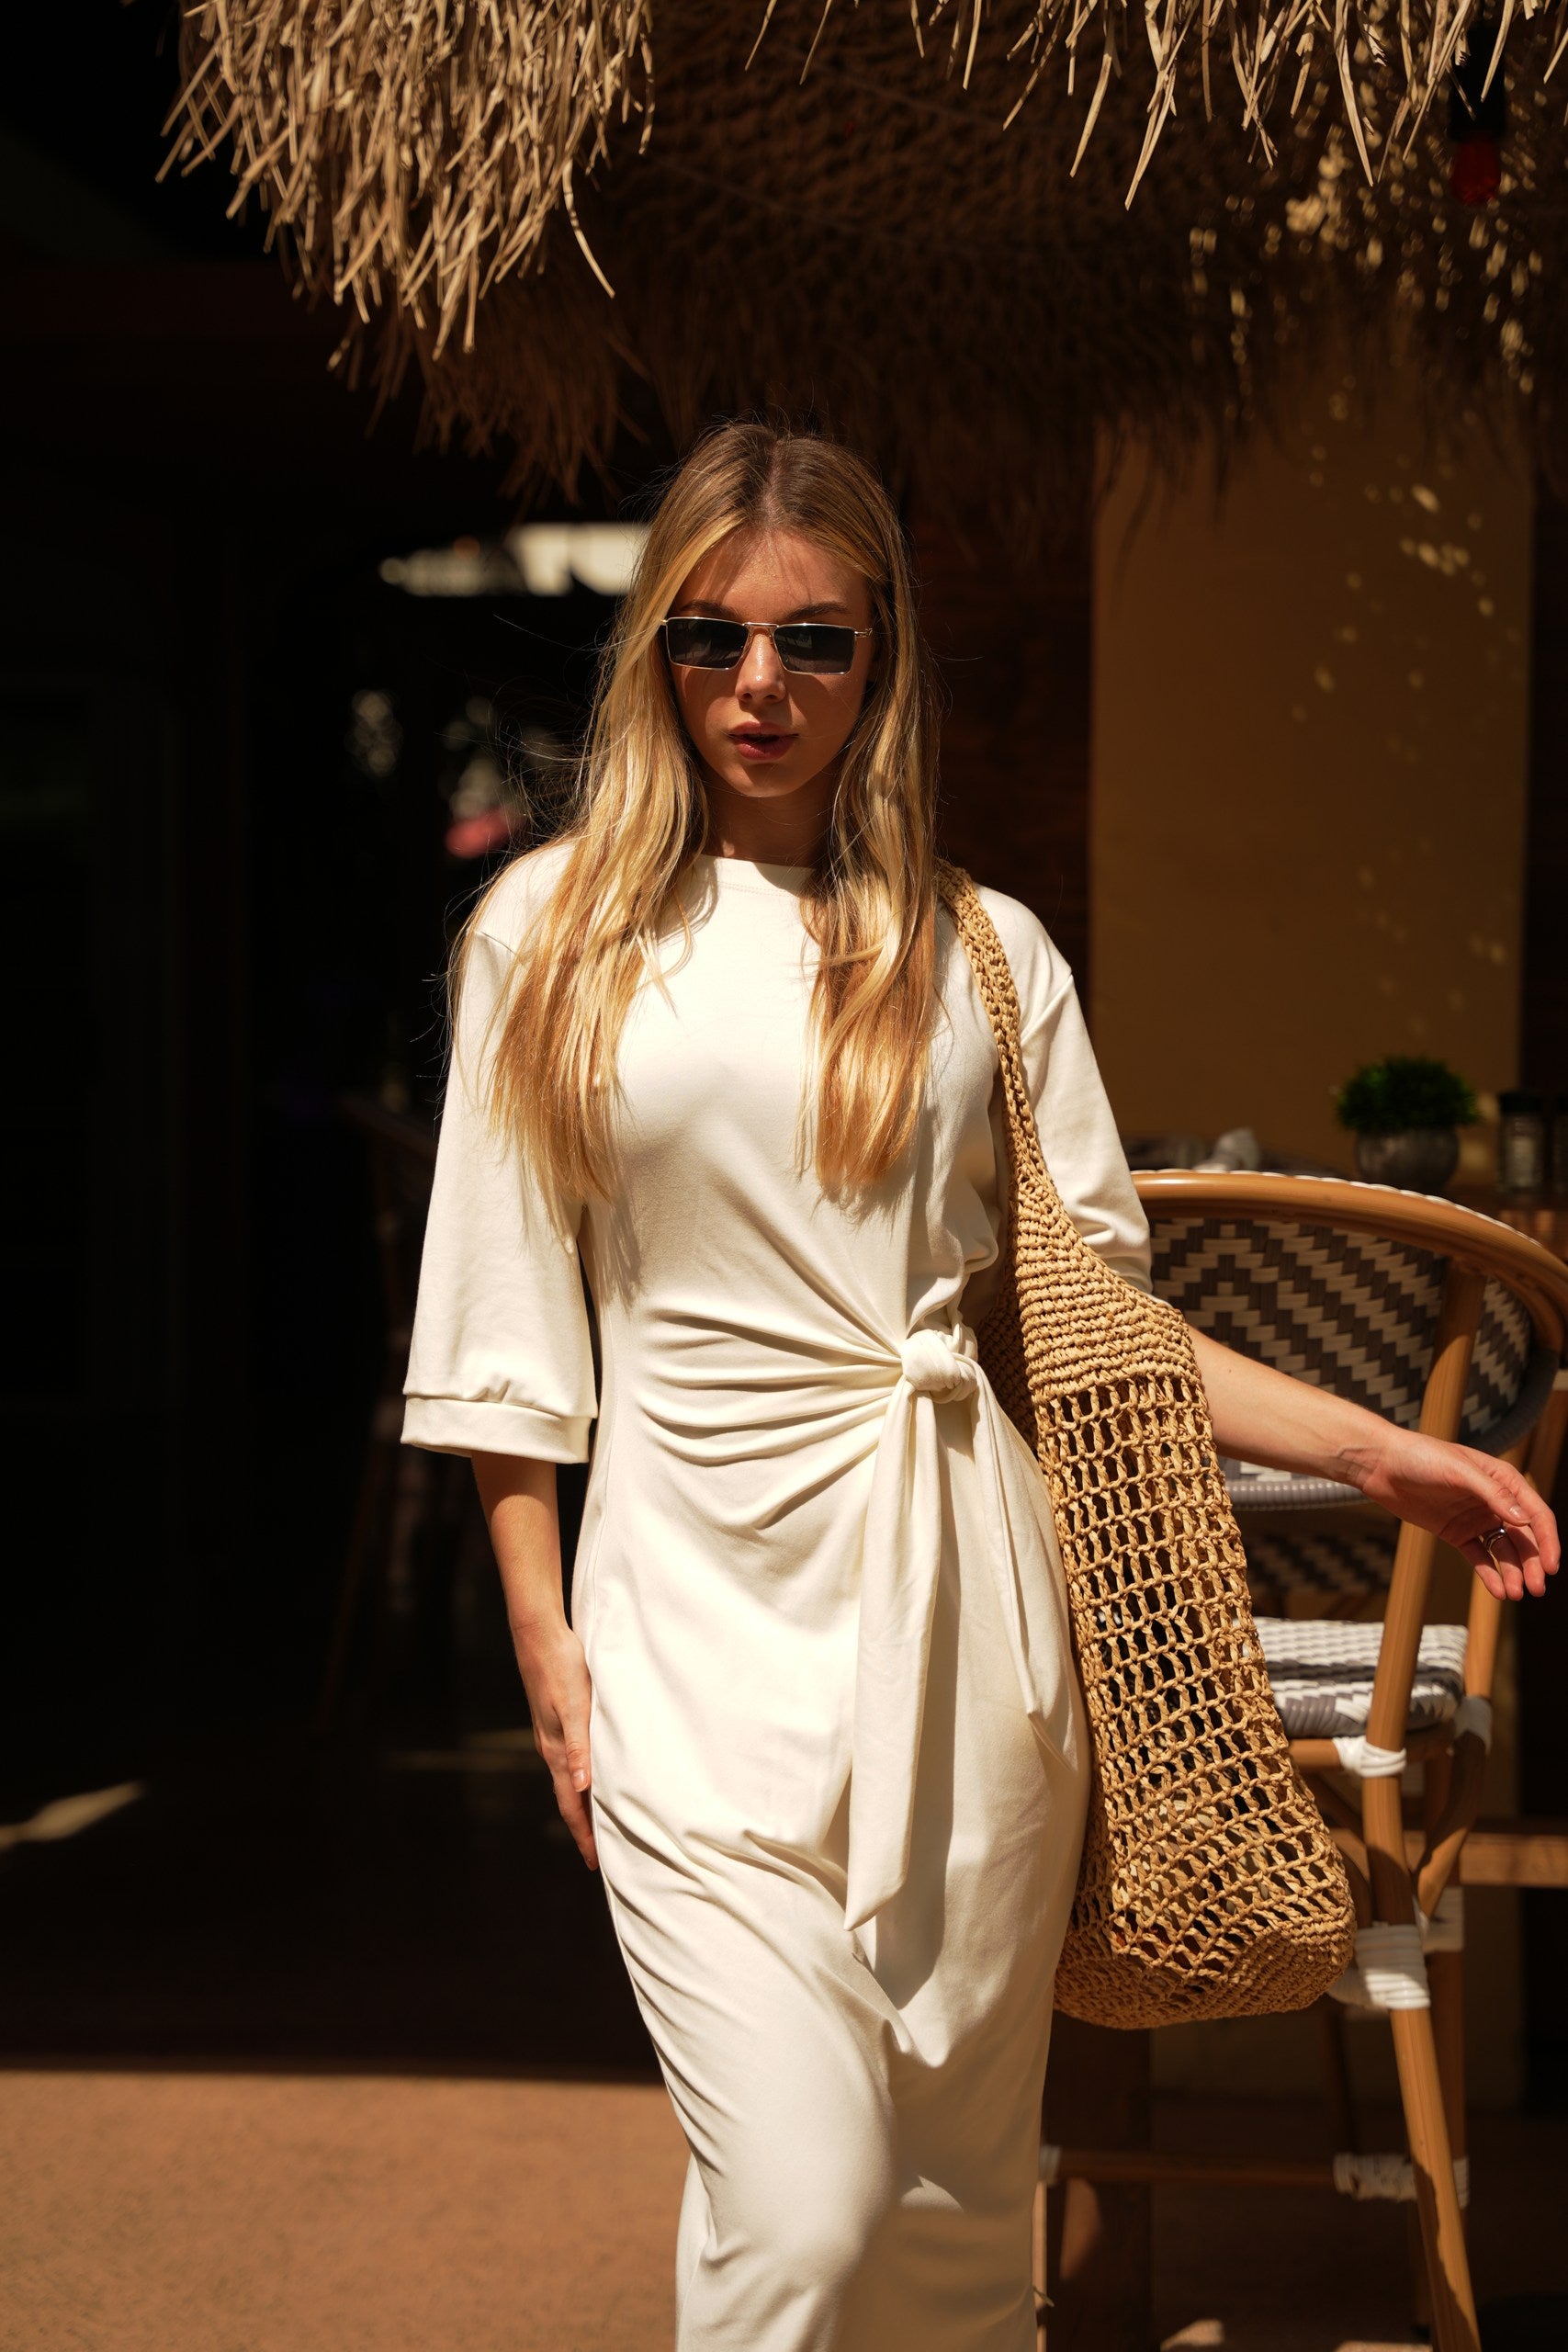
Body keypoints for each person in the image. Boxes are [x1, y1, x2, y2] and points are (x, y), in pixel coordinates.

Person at [400, 422, 1557, 2352]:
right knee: (800, 2217)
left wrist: (1382, 1452)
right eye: (710, 636)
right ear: (656, 649)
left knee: (947, 2237)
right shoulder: (552, 929)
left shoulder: (978, 951)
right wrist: (541, 1630)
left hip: (967, 1624)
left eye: (814, 641)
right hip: (683, 1616)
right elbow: (504, 1313)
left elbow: (1092, 1328)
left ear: (879, 661)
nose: (759, 684)